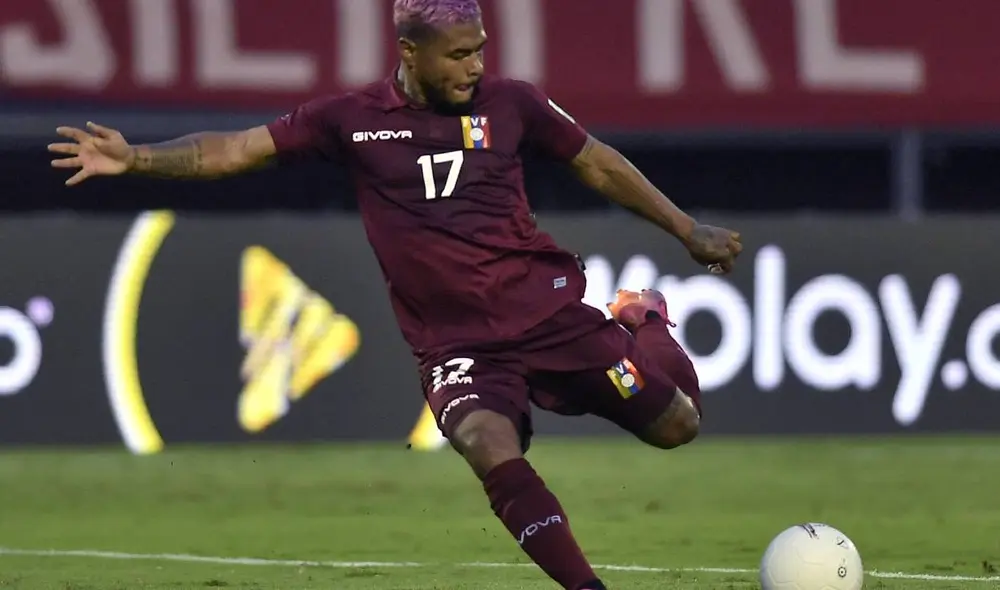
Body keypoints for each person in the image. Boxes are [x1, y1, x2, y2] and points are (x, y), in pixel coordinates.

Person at [48, 0, 742, 587]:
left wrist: (685, 228)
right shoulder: (349, 120)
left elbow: (595, 162)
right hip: (458, 344)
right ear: (410, 51)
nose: (474, 66)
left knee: (677, 427)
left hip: (548, 313)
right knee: (484, 440)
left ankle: (643, 319)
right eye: (458, 55)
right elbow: (235, 150)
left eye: (480, 51)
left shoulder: (513, 103)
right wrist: (135, 157)